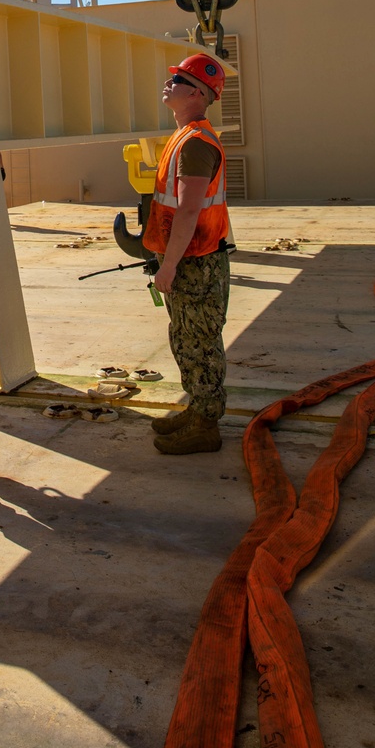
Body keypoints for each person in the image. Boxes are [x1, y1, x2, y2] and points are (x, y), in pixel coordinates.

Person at [145, 52, 230, 456]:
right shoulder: (184, 137)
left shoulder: (196, 143)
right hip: (191, 260)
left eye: (177, 80)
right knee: (186, 339)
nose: (168, 84)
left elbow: (189, 209)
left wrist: (169, 265)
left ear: (197, 94)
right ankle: (197, 410)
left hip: (195, 263)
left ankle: (205, 424)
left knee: (199, 341)